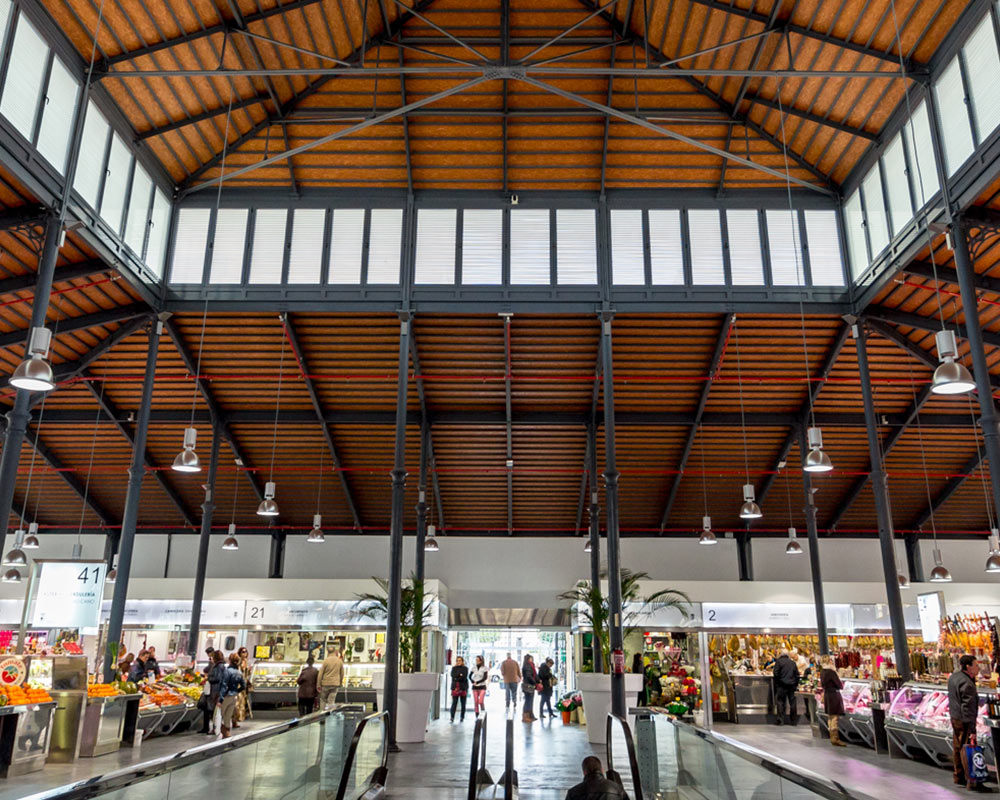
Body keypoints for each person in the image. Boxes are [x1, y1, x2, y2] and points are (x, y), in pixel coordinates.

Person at [949, 654, 987, 791]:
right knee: (968, 748)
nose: (978, 668)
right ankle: (973, 782)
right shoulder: (967, 684)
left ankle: (959, 776)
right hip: (964, 720)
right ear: (968, 667)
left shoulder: (954, 677)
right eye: (976, 665)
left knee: (958, 747)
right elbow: (968, 708)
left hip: (955, 717)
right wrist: (972, 730)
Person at [219, 652, 247, 738]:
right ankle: (227, 731)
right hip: (234, 696)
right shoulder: (239, 672)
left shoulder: (227, 671)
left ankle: (222, 730)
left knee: (219, 714)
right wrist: (236, 691)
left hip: (226, 696)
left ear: (230, 660)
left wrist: (220, 698)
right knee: (228, 715)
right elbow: (244, 686)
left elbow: (224, 685)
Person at [819, 660, 847, 747]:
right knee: (835, 717)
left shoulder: (823, 672)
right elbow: (839, 685)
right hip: (834, 695)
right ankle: (835, 738)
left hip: (827, 695)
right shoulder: (831, 672)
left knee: (830, 717)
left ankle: (832, 737)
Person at [772, 650, 799, 725]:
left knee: (781, 702)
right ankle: (793, 721)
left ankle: (780, 720)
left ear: (781, 654)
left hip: (782, 685)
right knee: (792, 702)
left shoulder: (779, 662)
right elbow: (797, 674)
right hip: (792, 685)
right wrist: (795, 683)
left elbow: (775, 673)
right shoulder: (792, 662)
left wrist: (778, 682)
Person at [203, 649, 226, 735]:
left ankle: (215, 728)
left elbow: (217, 678)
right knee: (215, 711)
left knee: (214, 711)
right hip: (217, 690)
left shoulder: (218, 666)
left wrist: (209, 678)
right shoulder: (221, 666)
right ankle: (215, 728)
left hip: (215, 691)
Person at [234, 646, 252, 727]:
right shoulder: (239, 662)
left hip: (244, 683)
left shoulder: (247, 662)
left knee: (243, 701)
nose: (245, 653)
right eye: (243, 652)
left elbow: (247, 674)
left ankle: (241, 716)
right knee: (238, 700)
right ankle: (236, 717)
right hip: (239, 683)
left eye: (246, 651)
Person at [450, 656, 470, 722]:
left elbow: (464, 677)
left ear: (462, 661)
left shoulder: (465, 668)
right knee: (454, 703)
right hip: (455, 687)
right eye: (457, 660)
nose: (458, 662)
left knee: (463, 703)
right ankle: (452, 717)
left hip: (463, 687)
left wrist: (457, 677)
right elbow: (453, 676)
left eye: (460, 660)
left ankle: (462, 717)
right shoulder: (453, 668)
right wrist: (459, 675)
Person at [521, 654, 538, 723]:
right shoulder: (528, 666)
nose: (532, 660)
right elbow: (529, 676)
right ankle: (526, 716)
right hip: (528, 685)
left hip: (529, 685)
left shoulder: (531, 665)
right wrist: (535, 682)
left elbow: (534, 675)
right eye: (531, 658)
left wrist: (537, 681)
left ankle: (530, 715)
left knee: (530, 701)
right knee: (528, 701)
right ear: (528, 659)